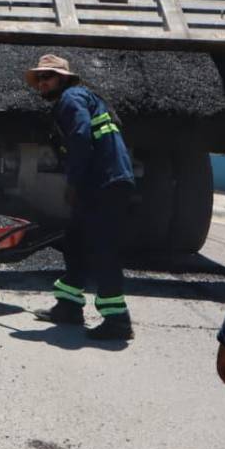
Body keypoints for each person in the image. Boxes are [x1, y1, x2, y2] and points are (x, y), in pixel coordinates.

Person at [27, 55, 135, 340]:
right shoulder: (84, 97)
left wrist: (74, 182)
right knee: (75, 242)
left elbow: (80, 136)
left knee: (103, 249)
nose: (42, 83)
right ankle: (69, 307)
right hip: (104, 181)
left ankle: (118, 321)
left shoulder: (71, 99)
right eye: (39, 78)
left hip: (104, 184)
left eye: (48, 77)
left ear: (63, 78)